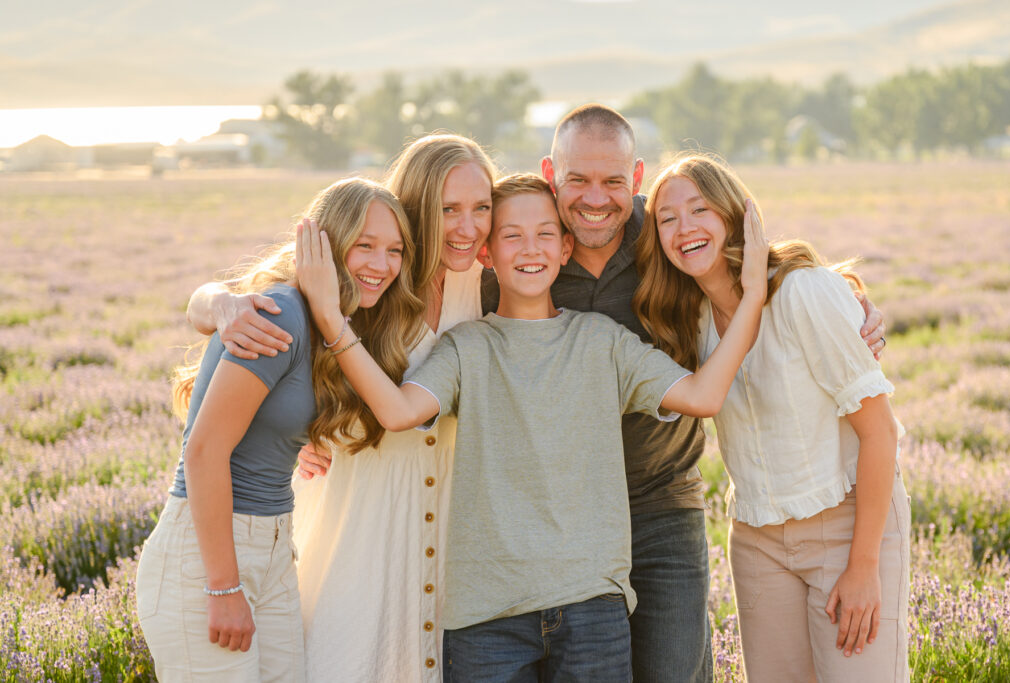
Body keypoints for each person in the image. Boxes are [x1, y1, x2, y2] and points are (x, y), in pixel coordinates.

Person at [293, 172, 769, 682]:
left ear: (566, 248)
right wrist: (327, 314)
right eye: (511, 235)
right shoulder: (465, 348)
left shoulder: (602, 341)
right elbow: (395, 411)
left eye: (545, 234)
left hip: (591, 603)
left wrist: (754, 295)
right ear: (486, 254)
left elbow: (704, 395)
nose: (530, 249)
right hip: (486, 617)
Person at [478, 104, 889, 682]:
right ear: (551, 173)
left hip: (660, 505)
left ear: (636, 179)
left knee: (673, 670)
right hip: (555, 517)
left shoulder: (668, 233)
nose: (596, 198)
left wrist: (851, 306)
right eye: (577, 180)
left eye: (613, 182)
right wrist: (314, 402)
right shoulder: (524, 247)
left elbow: (755, 268)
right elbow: (420, 294)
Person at [186, 134, 498, 681]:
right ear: (418, 205)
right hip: (354, 523)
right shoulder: (369, 280)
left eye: (482, 208)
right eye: (449, 209)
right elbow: (260, 296)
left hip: (449, 529)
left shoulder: (491, 288)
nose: (468, 227)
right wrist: (222, 304)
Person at [633, 153, 909, 682]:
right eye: (667, 218)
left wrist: (864, 566)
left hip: (848, 522)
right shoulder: (686, 321)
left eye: (699, 210)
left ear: (735, 215)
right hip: (758, 538)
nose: (684, 228)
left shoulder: (803, 293)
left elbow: (881, 434)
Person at [136, 177, 421, 681]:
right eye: (365, 246)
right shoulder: (285, 313)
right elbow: (203, 451)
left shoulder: (332, 323)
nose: (382, 265)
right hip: (209, 557)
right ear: (324, 244)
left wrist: (304, 440)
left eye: (395, 250)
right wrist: (223, 587)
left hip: (272, 549)